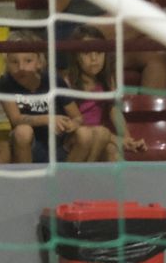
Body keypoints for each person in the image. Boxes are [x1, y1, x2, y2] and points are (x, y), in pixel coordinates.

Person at [0, 49, 108, 164]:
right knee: (23, 131)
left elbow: (78, 118)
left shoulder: (54, 81)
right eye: (14, 62)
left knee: (86, 134)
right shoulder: (6, 83)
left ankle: (66, 177)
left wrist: (71, 124)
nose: (21, 67)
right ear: (7, 64)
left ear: (39, 62)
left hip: (60, 143)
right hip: (30, 145)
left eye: (28, 61)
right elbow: (16, 120)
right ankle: (27, 179)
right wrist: (49, 119)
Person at [61, 25, 145, 162]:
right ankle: (76, 177)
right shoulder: (68, 81)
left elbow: (114, 111)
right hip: (76, 137)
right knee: (99, 134)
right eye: (87, 53)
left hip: (102, 137)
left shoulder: (107, 79)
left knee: (113, 152)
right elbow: (76, 122)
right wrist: (117, 139)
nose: (94, 58)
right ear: (76, 56)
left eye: (99, 52)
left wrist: (128, 139)